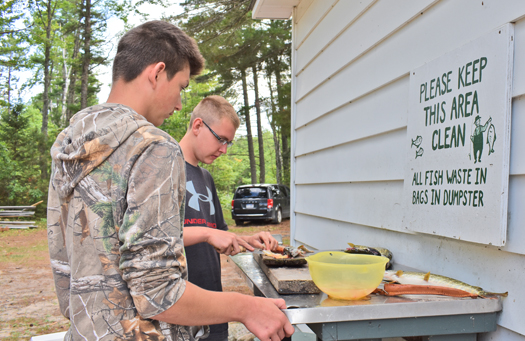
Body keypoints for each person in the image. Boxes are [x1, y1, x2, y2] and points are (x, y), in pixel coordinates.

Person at [47, 20, 294, 341]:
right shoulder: (154, 147)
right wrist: (247, 307)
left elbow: (63, 268)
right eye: (181, 86)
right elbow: (157, 293)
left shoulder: (69, 141)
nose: (179, 103)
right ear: (157, 72)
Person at [179, 96, 280, 341]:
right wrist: (206, 233)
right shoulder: (163, 171)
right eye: (220, 139)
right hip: (181, 311)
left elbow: (220, 235)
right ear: (198, 126)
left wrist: (249, 240)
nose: (224, 149)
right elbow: (150, 240)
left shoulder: (206, 178)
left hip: (215, 306)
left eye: (229, 143)